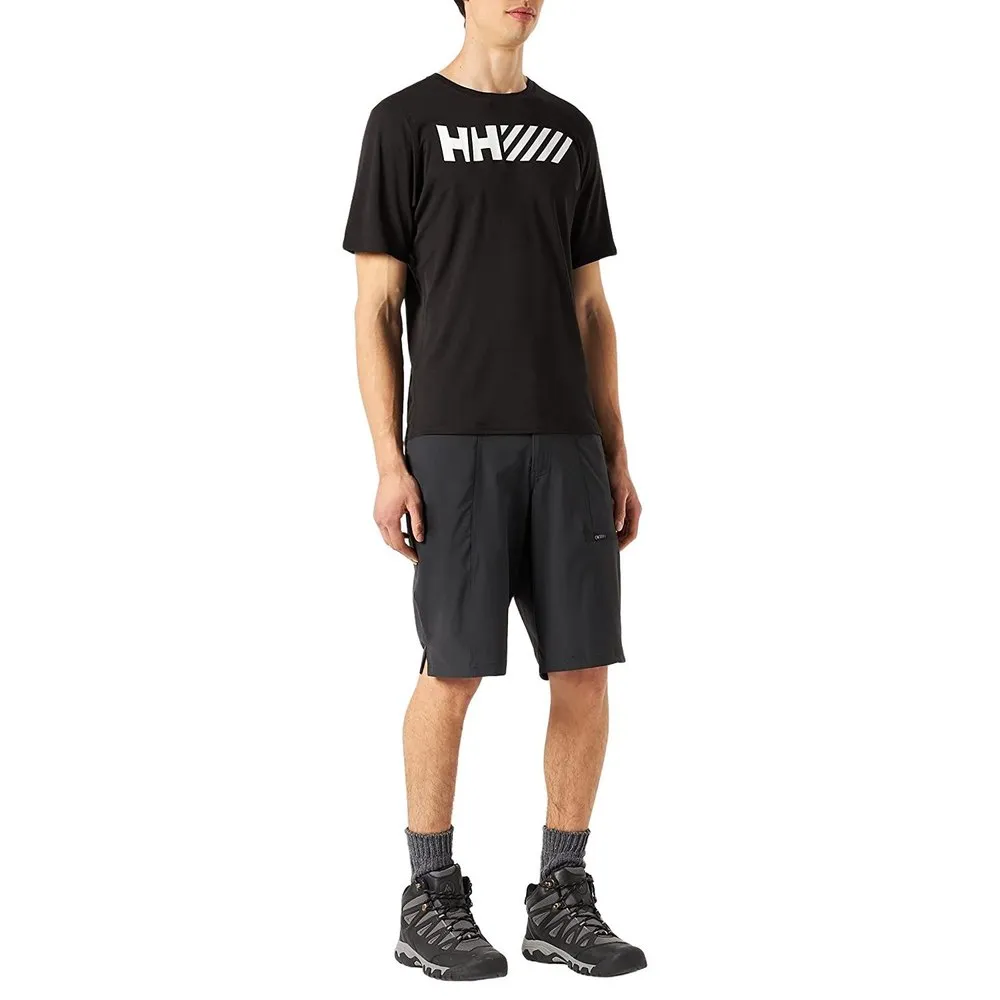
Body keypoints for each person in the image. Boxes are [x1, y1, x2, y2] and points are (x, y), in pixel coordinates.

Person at [344, 0, 645, 980]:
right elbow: (376, 306)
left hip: (566, 441)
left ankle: (560, 893)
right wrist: (389, 459)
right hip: (454, 444)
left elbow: (590, 307)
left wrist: (615, 449)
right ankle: (429, 895)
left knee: (585, 670)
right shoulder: (403, 122)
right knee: (454, 669)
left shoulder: (569, 131)